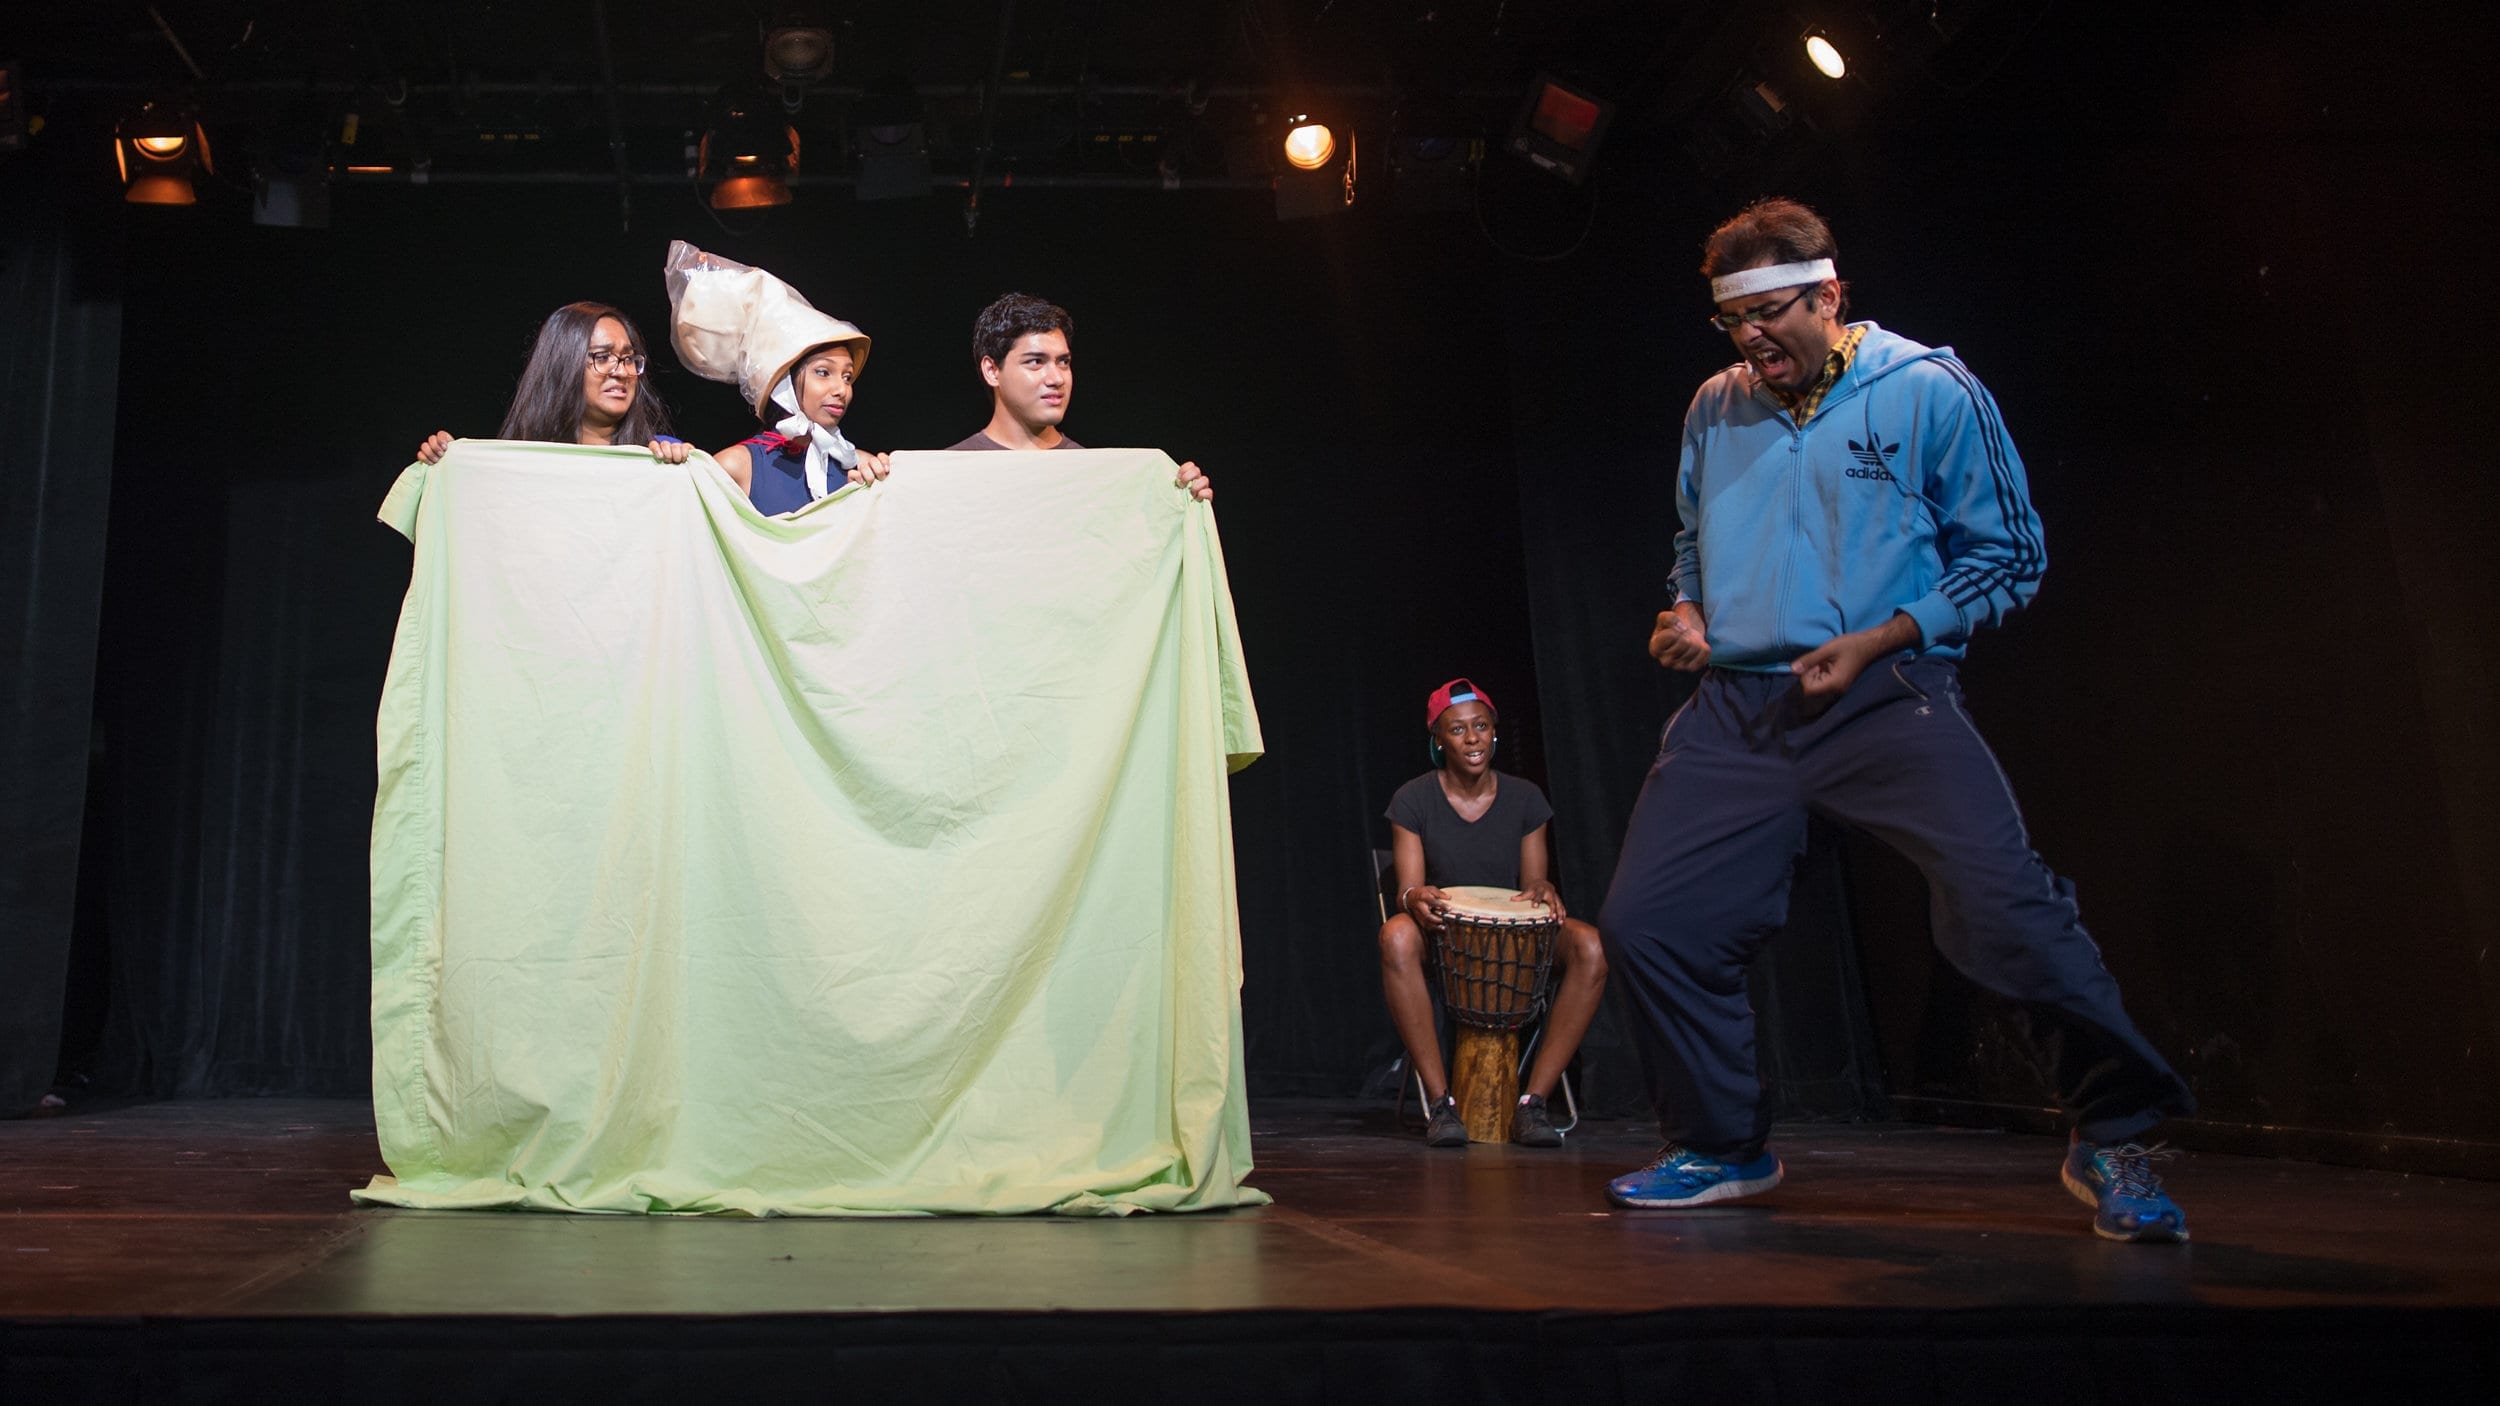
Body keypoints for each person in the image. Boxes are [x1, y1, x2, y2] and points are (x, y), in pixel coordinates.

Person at [1596, 197, 2195, 1241]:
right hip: (1738, 707)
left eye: (1772, 313)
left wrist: (1882, 637)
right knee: (1653, 923)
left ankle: (2114, 1130)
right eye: (1732, 321)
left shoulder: (1928, 390)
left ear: (1829, 294)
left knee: (2004, 910)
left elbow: (2010, 554)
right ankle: (1720, 1143)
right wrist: (1687, 608)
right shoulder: (1713, 406)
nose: (1751, 338)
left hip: (1887, 693)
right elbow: (1690, 541)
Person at [1380, 679, 1608, 1148]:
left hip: (1512, 946)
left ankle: (1535, 1102)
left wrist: (1543, 887)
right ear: (1438, 739)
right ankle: (1442, 1103)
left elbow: (1531, 891)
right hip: (1441, 934)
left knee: (1591, 946)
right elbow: (1407, 888)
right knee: (1395, 936)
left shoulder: (1526, 799)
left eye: (1481, 727)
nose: (1472, 739)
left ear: (1494, 732)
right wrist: (1413, 900)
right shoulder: (1413, 799)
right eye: (1458, 730)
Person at [660, 241, 893, 511]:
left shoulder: (862, 466)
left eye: (847, 377)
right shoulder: (736, 466)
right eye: (823, 372)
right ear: (783, 383)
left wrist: (887, 484)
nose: (841, 389)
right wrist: (668, 468)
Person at [944, 292, 1213, 501]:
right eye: (1036, 362)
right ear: (992, 370)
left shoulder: (1095, 476)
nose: (1057, 378)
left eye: (1063, 362)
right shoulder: (946, 474)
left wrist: (1185, 503)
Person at [413, 301, 690, 467]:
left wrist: (686, 471)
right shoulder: (518, 463)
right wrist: (444, 464)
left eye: (628, 359)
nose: (621, 371)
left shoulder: (660, 456)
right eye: (603, 357)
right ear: (563, 365)